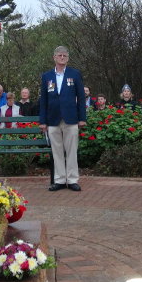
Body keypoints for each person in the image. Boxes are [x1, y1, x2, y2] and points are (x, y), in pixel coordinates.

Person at [39, 46, 87, 192]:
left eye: (64, 55)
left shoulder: (75, 74)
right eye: (59, 55)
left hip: (71, 118)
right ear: (54, 57)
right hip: (52, 119)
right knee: (57, 151)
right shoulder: (47, 76)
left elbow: (81, 97)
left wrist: (82, 118)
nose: (62, 57)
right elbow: (43, 100)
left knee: (72, 150)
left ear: (68, 58)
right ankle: (59, 180)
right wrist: (42, 121)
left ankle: (72, 179)